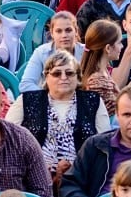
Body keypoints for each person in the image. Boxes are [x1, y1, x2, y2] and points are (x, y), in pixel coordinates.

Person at [6, 50, 110, 183]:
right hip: (33, 174)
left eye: (69, 73)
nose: (63, 77)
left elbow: (104, 141)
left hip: (81, 177)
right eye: (56, 73)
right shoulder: (26, 100)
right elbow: (9, 138)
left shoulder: (93, 101)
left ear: (78, 77)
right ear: (46, 77)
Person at [80, 19, 123, 118]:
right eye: (119, 42)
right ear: (108, 48)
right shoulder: (97, 81)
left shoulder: (104, 70)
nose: (122, 46)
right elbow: (113, 112)